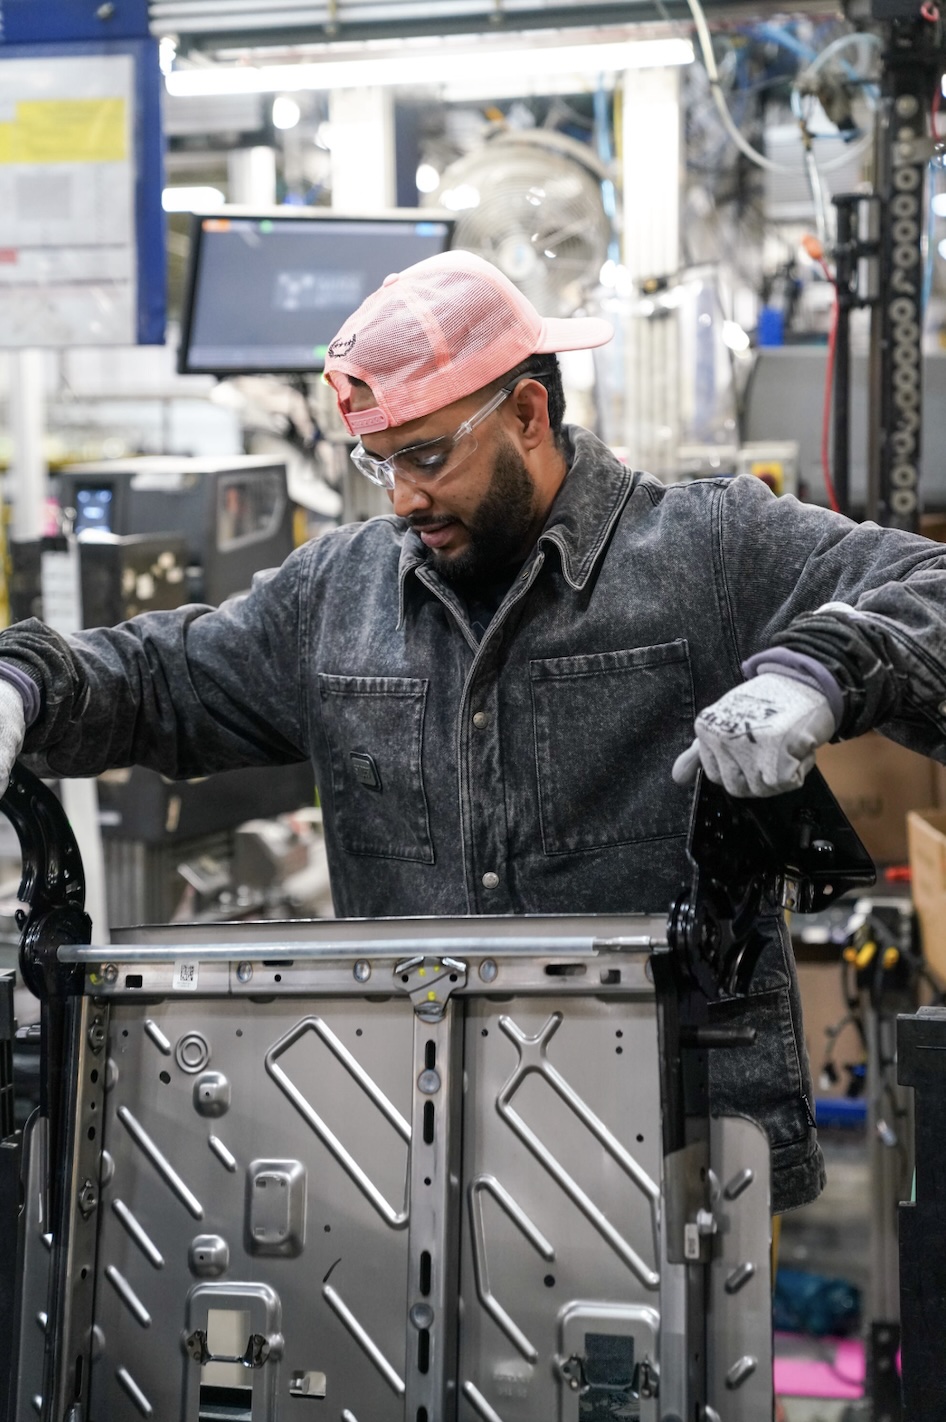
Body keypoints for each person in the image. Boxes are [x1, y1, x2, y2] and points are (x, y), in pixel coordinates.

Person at [0, 248, 945, 1215]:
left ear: (528, 414)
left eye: (426, 455)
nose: (402, 499)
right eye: (379, 462)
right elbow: (157, 678)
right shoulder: (339, 597)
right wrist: (24, 683)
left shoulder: (704, 553)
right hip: (411, 1166)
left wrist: (822, 669)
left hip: (675, 1162)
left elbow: (933, 587)